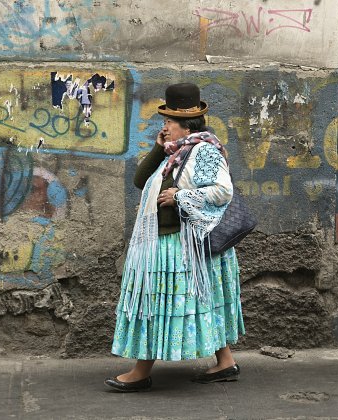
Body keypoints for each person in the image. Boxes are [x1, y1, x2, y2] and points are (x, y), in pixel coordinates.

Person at [104, 83, 246, 392]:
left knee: (153, 303)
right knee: (201, 302)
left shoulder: (205, 150)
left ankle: (141, 372)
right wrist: (158, 146)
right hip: (171, 243)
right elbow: (141, 180)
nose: (165, 126)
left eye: (169, 121)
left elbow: (223, 190)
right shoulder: (174, 153)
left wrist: (181, 196)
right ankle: (225, 363)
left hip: (184, 244)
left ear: (186, 125)